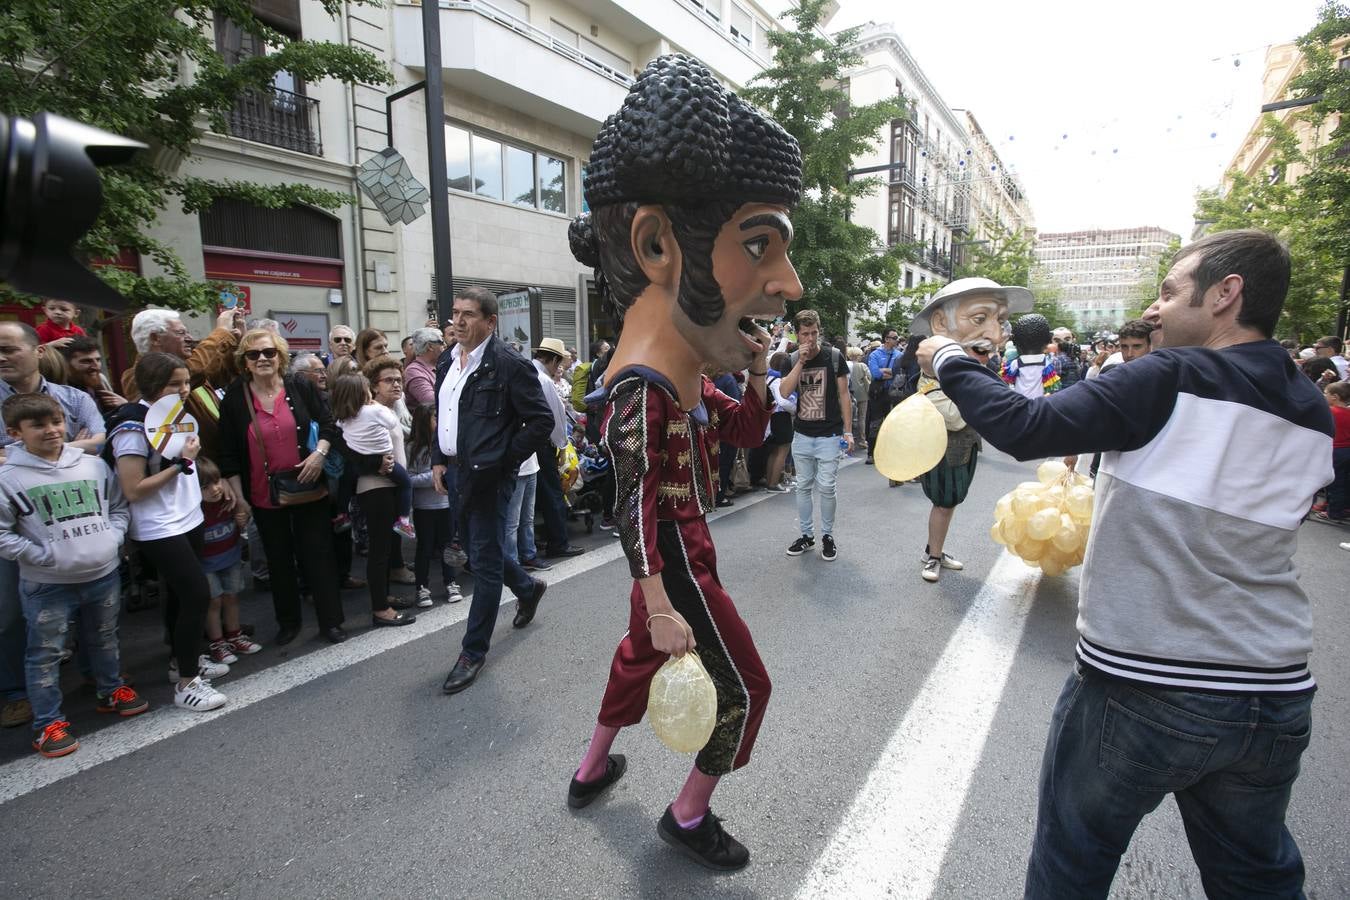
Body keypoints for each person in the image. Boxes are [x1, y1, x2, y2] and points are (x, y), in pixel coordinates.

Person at [917, 229, 1330, 898]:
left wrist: (953, 360)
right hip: (1273, 692)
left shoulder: (1171, 376)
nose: (1156, 308)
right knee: (1257, 879)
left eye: (1170, 290)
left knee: (1071, 867)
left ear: (1227, 294)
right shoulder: (1312, 409)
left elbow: (1028, 429)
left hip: (1148, 682)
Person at [562, 54, 801, 870]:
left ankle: (592, 766)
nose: (790, 284)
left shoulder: (686, 377)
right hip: (670, 559)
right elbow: (631, 507)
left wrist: (764, 375)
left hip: (677, 554)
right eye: (759, 243)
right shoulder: (639, 388)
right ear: (659, 244)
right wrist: (658, 596)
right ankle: (689, 816)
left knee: (634, 660)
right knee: (744, 687)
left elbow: (743, 436)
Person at [0, 392, 147, 757]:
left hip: (103, 572)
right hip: (47, 584)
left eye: (55, 422)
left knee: (104, 637)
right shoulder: (9, 478)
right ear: (14, 431)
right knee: (45, 653)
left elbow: (117, 507)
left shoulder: (92, 465)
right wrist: (40, 555)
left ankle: (110, 689)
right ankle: (48, 723)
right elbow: (3, 533)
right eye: (38, 425)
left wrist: (112, 539)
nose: (51, 431)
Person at [431, 287, 551, 693]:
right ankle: (526, 586)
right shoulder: (448, 359)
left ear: (490, 322)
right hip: (457, 473)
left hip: (489, 477)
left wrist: (503, 461)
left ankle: (473, 651)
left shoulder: (509, 364)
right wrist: (437, 458)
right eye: (455, 313)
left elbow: (540, 422)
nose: (459, 321)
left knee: (482, 562)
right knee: (483, 549)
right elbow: (443, 414)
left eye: (468, 314)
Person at [0, 322, 107, 731]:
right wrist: (65, 450)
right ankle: (14, 693)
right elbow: (82, 444)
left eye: (10, 348)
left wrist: (22, 454)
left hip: (76, 516)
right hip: (18, 524)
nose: (3, 357)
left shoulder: (73, 397)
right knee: (11, 613)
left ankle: (99, 676)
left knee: (89, 602)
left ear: (37, 351)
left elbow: (98, 439)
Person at [108, 352, 229, 711]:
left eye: (186, 382)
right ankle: (188, 684)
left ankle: (183, 661)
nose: (184, 389)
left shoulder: (175, 416)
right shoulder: (131, 426)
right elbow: (133, 488)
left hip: (187, 517)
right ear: (152, 385)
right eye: (175, 383)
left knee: (179, 597)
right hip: (158, 526)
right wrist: (182, 464)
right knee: (196, 595)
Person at [217, 330, 348, 646]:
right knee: (278, 560)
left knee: (318, 556)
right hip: (264, 494)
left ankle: (331, 622)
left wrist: (319, 454)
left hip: (308, 487)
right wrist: (240, 500)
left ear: (280, 356)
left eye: (269, 352)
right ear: (244, 362)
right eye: (254, 354)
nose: (262, 359)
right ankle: (288, 623)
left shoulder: (300, 386)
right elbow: (228, 454)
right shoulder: (236, 397)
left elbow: (329, 424)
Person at [776, 309, 851, 562]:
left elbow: (844, 396)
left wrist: (849, 431)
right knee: (803, 487)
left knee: (827, 487)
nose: (810, 339)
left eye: (814, 333)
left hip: (829, 434)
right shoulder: (792, 358)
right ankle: (807, 536)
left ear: (819, 331)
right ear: (797, 336)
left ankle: (827, 535)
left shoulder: (834, 357)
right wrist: (800, 362)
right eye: (805, 334)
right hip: (803, 434)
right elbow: (785, 392)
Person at [123, 307, 243, 463]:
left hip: (220, 465)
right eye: (180, 333)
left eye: (186, 382)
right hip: (191, 470)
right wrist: (221, 333)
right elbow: (195, 368)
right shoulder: (135, 377)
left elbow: (227, 372)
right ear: (155, 338)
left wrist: (237, 342)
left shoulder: (191, 371)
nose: (190, 338)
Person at [355, 354, 420, 628]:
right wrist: (375, 463)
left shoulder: (390, 410)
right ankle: (380, 609)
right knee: (379, 550)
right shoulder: (366, 411)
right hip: (377, 489)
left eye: (399, 380)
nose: (396, 385)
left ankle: (384, 598)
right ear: (373, 384)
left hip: (392, 487)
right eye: (389, 380)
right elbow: (353, 450)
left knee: (389, 547)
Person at [332, 373, 416, 540]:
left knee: (346, 483)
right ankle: (404, 521)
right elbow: (392, 423)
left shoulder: (343, 417)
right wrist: (379, 407)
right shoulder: (375, 410)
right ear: (365, 393)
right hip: (384, 460)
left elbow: (339, 428)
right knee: (406, 483)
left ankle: (342, 515)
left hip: (358, 463)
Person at [195, 457, 262, 663]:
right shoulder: (195, 510)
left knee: (231, 596)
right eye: (205, 487)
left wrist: (241, 520)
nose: (214, 489)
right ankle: (217, 643)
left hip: (230, 557)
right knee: (213, 602)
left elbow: (239, 526)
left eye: (216, 482)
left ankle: (234, 635)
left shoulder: (229, 500)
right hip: (206, 564)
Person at [524, 337, 578, 566]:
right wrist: (562, 446)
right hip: (542, 444)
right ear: (553, 359)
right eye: (559, 360)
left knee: (533, 498)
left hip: (526, 441)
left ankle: (540, 540)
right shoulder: (544, 381)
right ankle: (559, 542)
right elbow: (554, 420)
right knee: (553, 493)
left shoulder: (527, 373)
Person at [407, 405, 462, 606]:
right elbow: (409, 479)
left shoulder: (447, 446)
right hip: (424, 508)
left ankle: (451, 582)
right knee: (425, 548)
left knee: (449, 545)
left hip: (446, 504)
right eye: (435, 418)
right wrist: (434, 477)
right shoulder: (413, 448)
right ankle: (422, 587)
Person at [1313, 380, 1350, 524]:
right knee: (1343, 481)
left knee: (1334, 481)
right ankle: (1336, 506)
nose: (1324, 395)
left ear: (1335, 397)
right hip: (1346, 449)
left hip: (1335, 450)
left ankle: (1334, 511)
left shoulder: (1331, 412)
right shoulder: (1348, 413)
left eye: (1326, 393)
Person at [59, 335, 126, 415]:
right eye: (86, 361)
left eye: (98, 360)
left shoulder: (101, 381)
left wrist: (125, 406)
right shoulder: (59, 394)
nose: (96, 366)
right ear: (66, 364)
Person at [864, 329, 902, 463]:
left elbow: (900, 374)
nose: (897, 340)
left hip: (894, 393)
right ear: (886, 339)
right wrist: (889, 373)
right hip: (878, 394)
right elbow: (875, 374)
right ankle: (871, 453)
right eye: (895, 337)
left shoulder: (899, 355)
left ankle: (890, 453)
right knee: (875, 423)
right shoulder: (875, 354)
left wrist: (885, 371)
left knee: (893, 424)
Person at [403, 327, 445, 409]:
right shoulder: (413, 371)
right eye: (441, 342)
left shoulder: (442, 366)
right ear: (430, 346)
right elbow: (431, 401)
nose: (445, 345)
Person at [846, 346, 870, 450]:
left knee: (849, 417)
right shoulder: (862, 365)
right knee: (862, 417)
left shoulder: (847, 365)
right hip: (863, 394)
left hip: (850, 393)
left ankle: (849, 438)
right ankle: (862, 440)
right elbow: (870, 377)